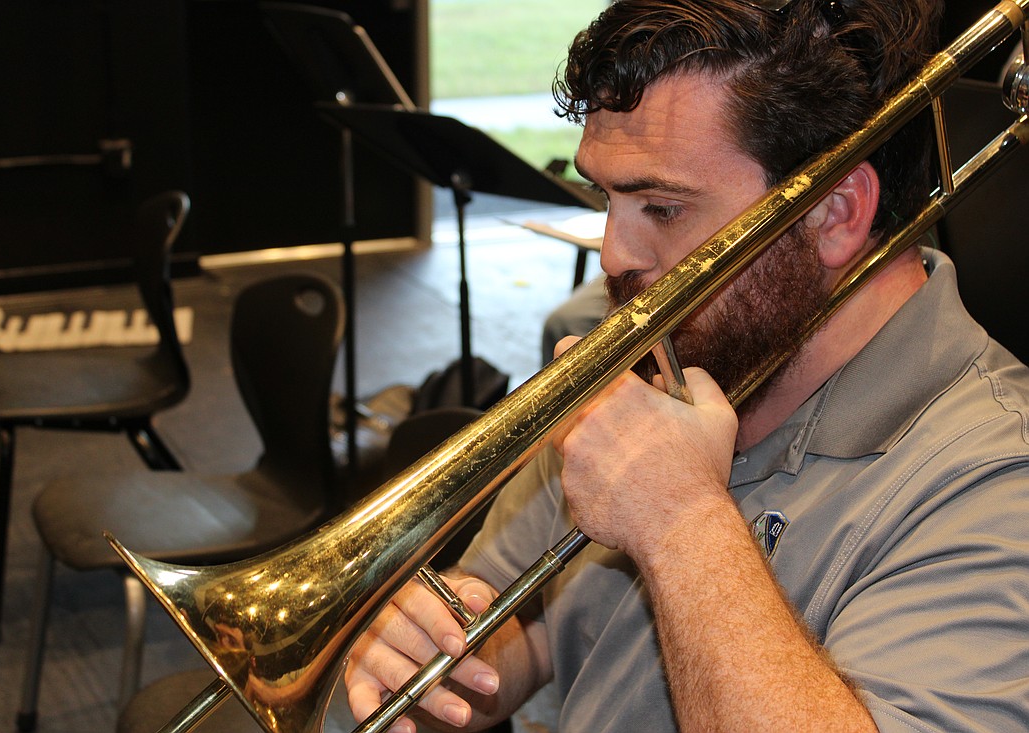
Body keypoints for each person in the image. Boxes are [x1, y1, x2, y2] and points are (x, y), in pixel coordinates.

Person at [345, 1, 1029, 731]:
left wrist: (681, 522)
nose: (613, 256)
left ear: (833, 214)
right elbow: (537, 623)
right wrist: (438, 654)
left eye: (662, 209)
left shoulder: (996, 481)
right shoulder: (656, 365)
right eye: (605, 196)